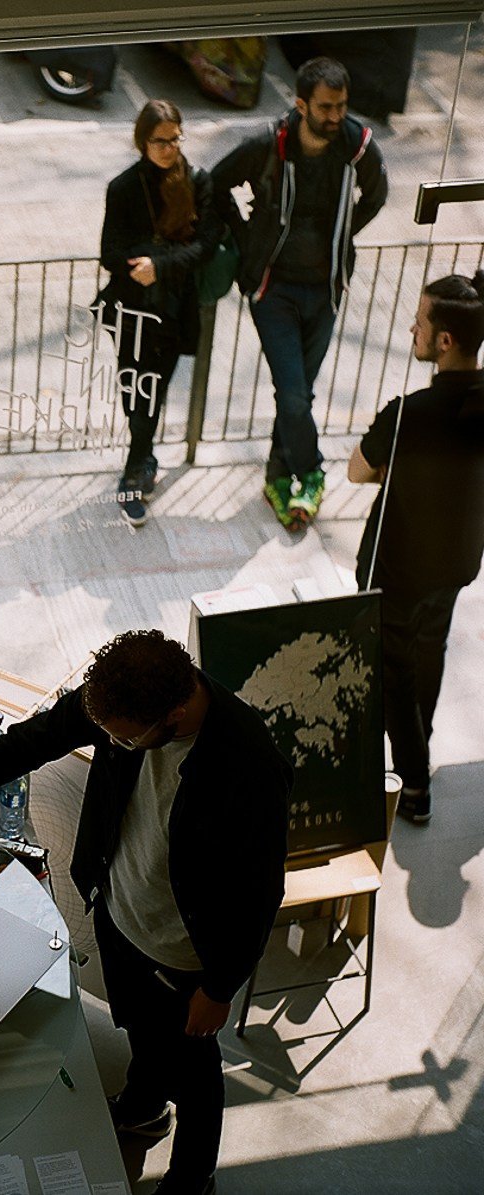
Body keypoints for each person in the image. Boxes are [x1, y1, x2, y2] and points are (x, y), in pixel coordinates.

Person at [0, 630, 291, 1195]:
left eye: (121, 740)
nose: (108, 742)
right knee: (141, 1028)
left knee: (196, 1072)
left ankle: (192, 1178)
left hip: (187, 953)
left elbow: (259, 891)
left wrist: (220, 988)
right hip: (122, 912)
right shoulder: (118, 701)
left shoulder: (249, 767)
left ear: (173, 715)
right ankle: (143, 1107)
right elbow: (24, 745)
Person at [211, 56, 387, 531]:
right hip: (274, 291)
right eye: (326, 108)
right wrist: (247, 235)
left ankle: (277, 475)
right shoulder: (270, 146)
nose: (336, 117)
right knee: (292, 394)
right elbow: (213, 185)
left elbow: (377, 195)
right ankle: (310, 472)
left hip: (326, 290)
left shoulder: (356, 147)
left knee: (298, 396)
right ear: (301, 103)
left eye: (342, 106)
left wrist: (344, 233)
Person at [349, 273, 484, 825]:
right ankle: (418, 751)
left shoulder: (407, 412)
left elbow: (359, 470)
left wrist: (397, 470)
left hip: (397, 571)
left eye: (421, 321)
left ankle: (413, 783)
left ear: (445, 341)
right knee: (430, 654)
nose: (412, 328)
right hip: (455, 565)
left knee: (392, 676)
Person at [98, 100, 221, 527]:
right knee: (135, 391)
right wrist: (144, 264)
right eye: (160, 141)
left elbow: (205, 244)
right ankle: (143, 458)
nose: (169, 149)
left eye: (175, 139)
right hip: (131, 309)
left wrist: (160, 266)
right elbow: (109, 252)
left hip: (172, 307)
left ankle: (134, 470)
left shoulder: (197, 181)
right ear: (142, 141)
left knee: (153, 390)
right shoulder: (124, 187)